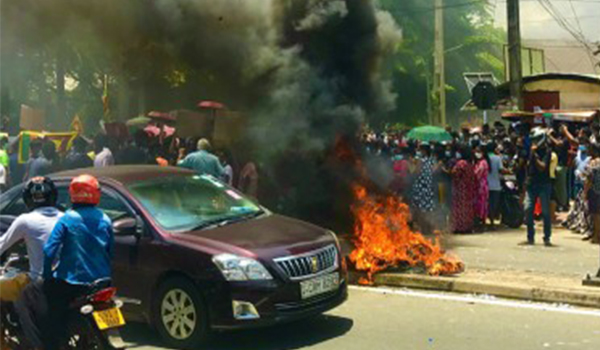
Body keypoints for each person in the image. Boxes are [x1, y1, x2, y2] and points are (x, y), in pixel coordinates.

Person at [38, 174, 114, 350]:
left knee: (52, 318)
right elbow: (111, 252)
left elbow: (49, 250)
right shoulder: (105, 219)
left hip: (71, 283)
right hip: (103, 283)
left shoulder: (67, 218)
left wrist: (47, 275)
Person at [0, 177, 63, 350]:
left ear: (28, 198)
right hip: (64, 280)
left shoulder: (25, 220)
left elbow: (2, 244)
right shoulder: (66, 218)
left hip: (37, 282)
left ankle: (3, 345)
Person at [522, 129, 553, 246]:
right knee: (528, 209)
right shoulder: (531, 151)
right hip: (531, 184)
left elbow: (543, 167)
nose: (534, 142)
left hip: (544, 184)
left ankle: (547, 236)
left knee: (545, 212)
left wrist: (534, 155)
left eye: (536, 140)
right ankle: (530, 236)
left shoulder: (547, 151)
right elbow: (528, 166)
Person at [411, 144, 436, 234]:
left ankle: (422, 228)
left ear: (424, 151)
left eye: (420, 150)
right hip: (428, 186)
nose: (419, 152)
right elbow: (433, 171)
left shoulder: (420, 160)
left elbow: (416, 171)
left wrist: (413, 167)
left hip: (420, 186)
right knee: (427, 208)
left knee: (420, 208)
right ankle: (428, 228)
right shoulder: (431, 160)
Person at [451, 146, 476, 233]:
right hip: (469, 189)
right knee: (467, 208)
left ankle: (459, 227)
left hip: (460, 189)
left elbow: (455, 173)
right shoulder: (470, 164)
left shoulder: (461, 163)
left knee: (459, 208)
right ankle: (467, 227)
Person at [584, 143, 600, 244]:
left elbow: (589, 179)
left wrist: (585, 192)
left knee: (596, 214)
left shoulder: (593, 163)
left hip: (595, 191)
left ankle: (596, 236)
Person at [487, 142, 503, 229]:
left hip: (486, 184)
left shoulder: (485, 158)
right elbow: (501, 170)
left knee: (487, 204)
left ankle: (486, 221)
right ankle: (492, 222)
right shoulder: (497, 158)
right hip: (496, 184)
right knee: (494, 204)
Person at [473, 145, 490, 231]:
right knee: (480, 205)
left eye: (478, 151)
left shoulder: (483, 163)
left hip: (481, 186)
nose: (477, 153)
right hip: (480, 186)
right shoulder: (479, 162)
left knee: (481, 205)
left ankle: (481, 224)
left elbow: (477, 174)